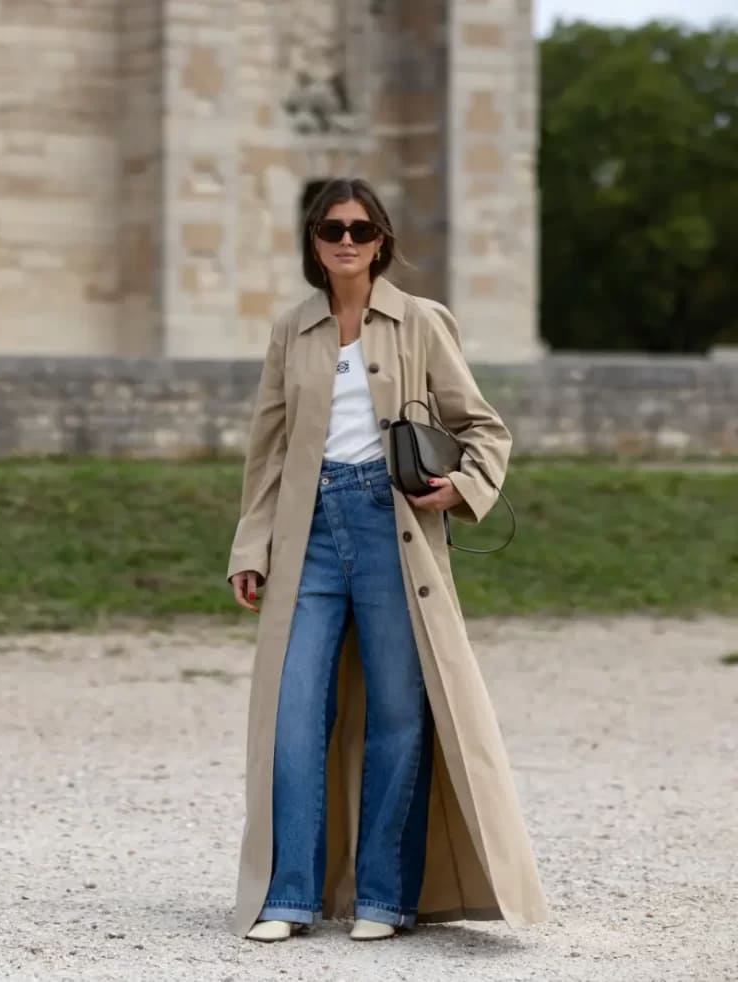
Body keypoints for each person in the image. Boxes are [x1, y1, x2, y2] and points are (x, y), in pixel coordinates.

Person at [227, 177, 547, 943]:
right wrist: (251, 545)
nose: (346, 240)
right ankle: (289, 895)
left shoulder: (422, 321)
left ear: (382, 241)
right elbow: (266, 451)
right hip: (307, 534)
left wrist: (461, 486)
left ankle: (384, 897)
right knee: (295, 711)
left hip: (390, 524)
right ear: (313, 241)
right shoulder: (290, 330)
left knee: (400, 717)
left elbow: (483, 426)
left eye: (361, 230)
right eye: (331, 229)